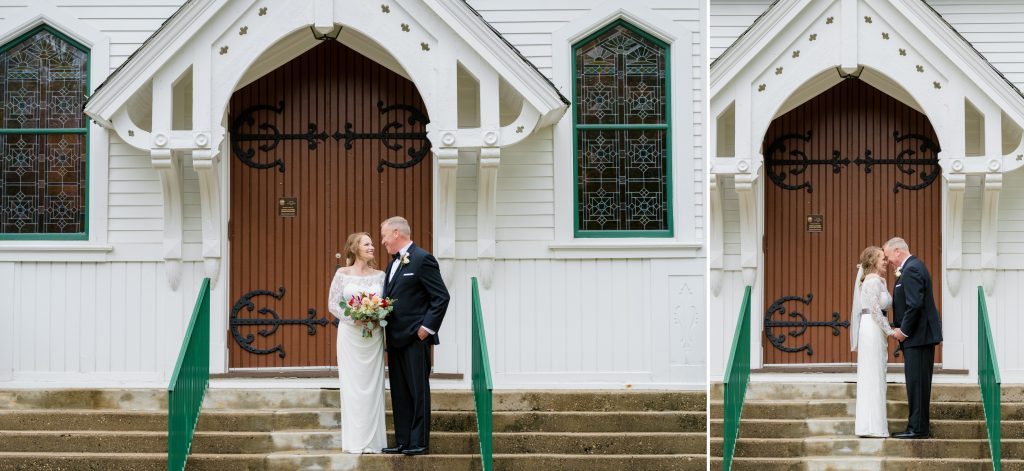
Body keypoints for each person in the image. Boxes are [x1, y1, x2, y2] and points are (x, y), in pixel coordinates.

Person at [379, 216, 450, 456]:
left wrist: (425, 330)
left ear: (397, 233)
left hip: (415, 340)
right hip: (395, 340)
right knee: (399, 392)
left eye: (385, 236)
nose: (383, 241)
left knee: (418, 392)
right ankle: (403, 441)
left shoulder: (422, 259)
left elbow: (441, 297)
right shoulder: (392, 264)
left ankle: (419, 442)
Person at [327, 232, 387, 453]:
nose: (372, 247)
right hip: (350, 335)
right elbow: (333, 304)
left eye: (372, 244)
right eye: (367, 244)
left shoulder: (380, 276)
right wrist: (356, 318)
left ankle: (374, 442)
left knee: (373, 386)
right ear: (354, 248)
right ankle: (355, 442)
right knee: (352, 386)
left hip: (373, 335)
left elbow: (386, 303)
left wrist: (375, 317)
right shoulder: (342, 274)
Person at [883, 237, 943, 439]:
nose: (888, 260)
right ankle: (918, 426)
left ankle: (917, 429)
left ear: (898, 251)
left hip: (918, 337)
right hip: (918, 338)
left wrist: (903, 331)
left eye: (888, 256)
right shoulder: (911, 268)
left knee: (917, 383)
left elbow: (915, 304)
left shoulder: (912, 269)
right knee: (916, 383)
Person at [851, 246, 893, 438]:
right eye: (882, 258)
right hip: (873, 326)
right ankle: (873, 426)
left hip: (872, 326)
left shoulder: (876, 280)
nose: (886, 261)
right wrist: (890, 331)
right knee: (874, 373)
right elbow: (876, 310)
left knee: (874, 372)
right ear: (873, 261)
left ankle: (870, 425)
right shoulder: (873, 280)